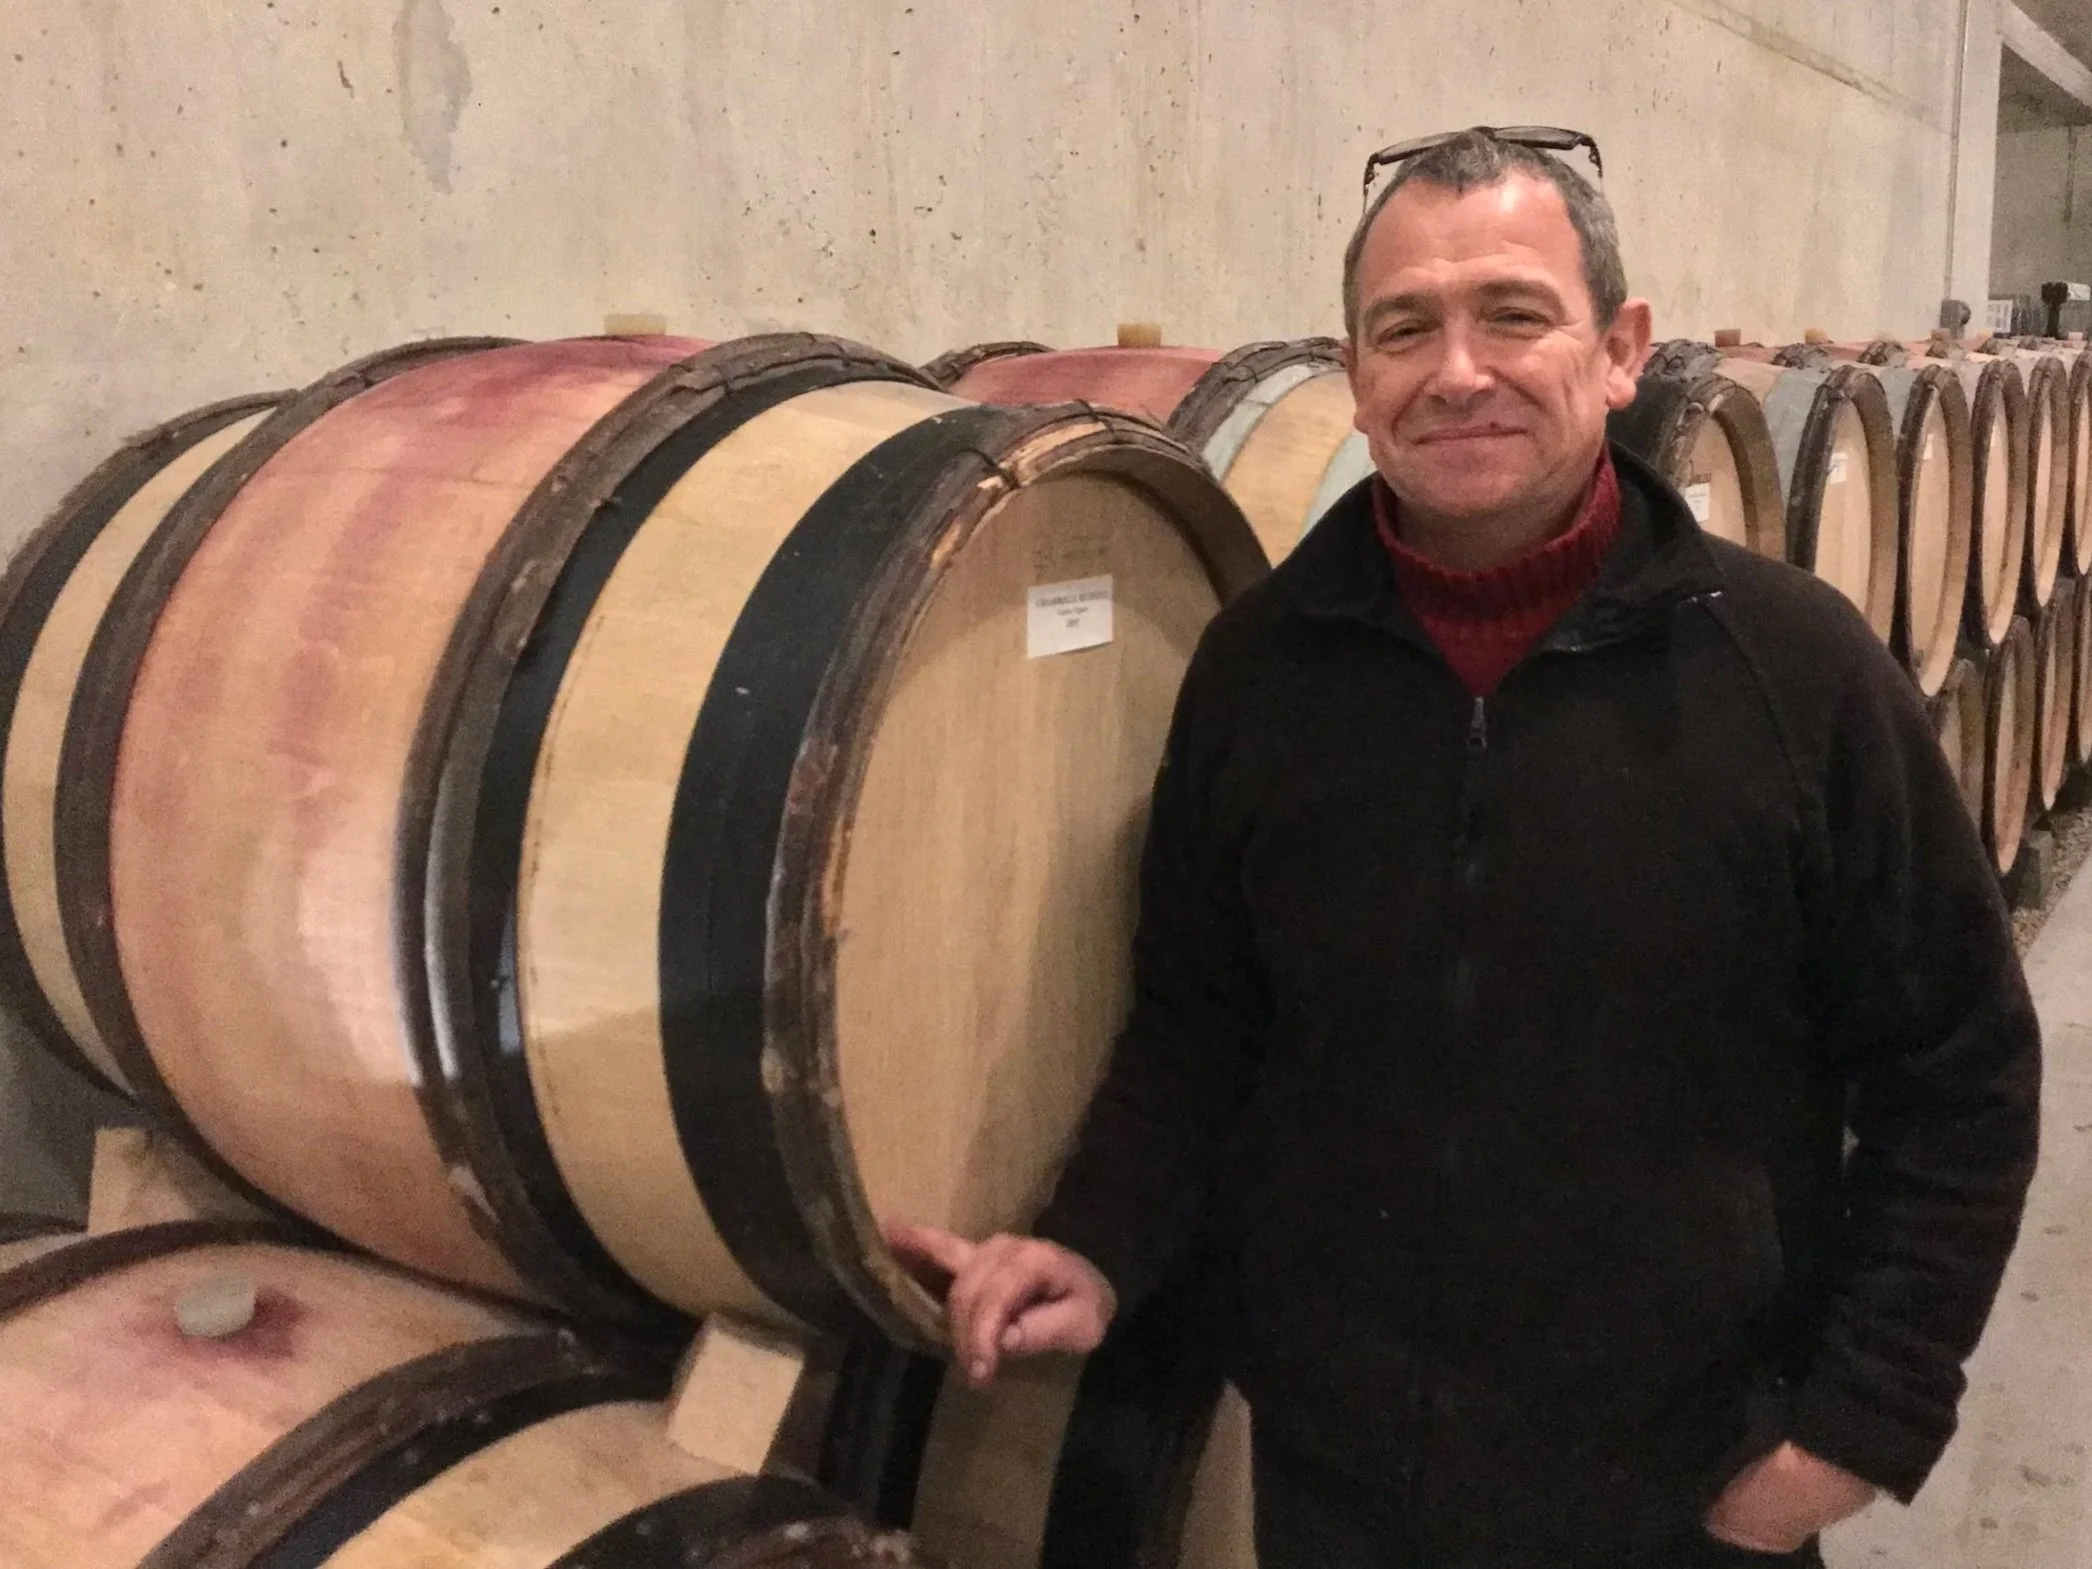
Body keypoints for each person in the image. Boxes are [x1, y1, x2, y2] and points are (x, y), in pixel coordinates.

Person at [888, 128, 2041, 1568]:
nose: (1457, 370)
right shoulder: (1260, 667)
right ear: (1356, 379)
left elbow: (1960, 1071)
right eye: (1405, 328)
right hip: (1338, 1486)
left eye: (1513, 314)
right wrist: (1095, 1240)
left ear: (1618, 349)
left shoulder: (1792, 672)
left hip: (1687, 1498)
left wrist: (1860, 1420)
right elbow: (1204, 1017)